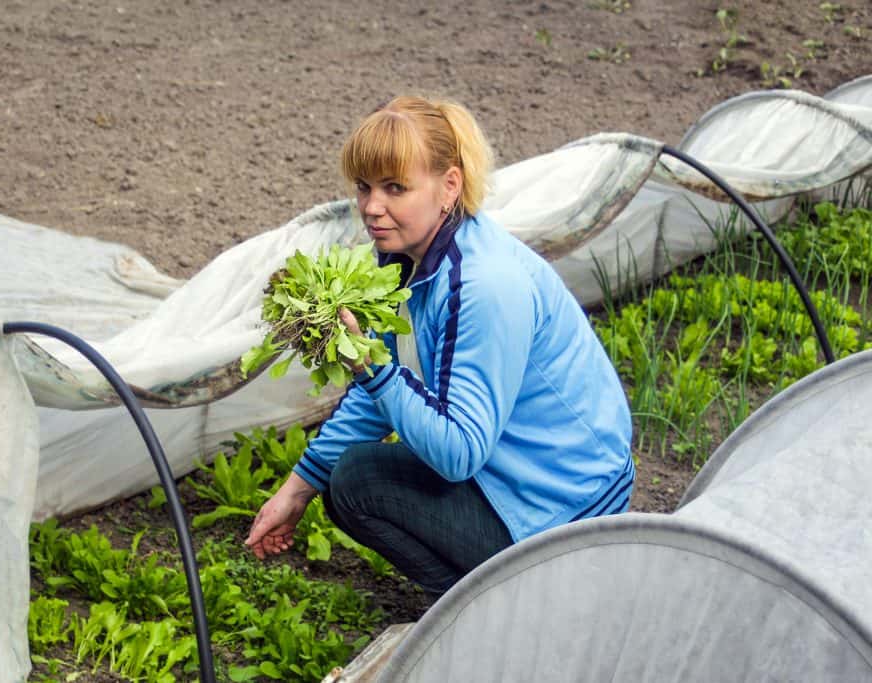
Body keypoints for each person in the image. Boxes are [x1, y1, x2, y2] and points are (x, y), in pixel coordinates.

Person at [245, 95, 633, 599]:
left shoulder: (485, 285)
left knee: (360, 482)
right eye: (363, 187)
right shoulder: (402, 258)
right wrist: (296, 491)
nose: (371, 207)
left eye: (395, 188)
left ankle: (507, 610)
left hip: (570, 509)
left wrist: (371, 368)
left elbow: (458, 453)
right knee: (345, 481)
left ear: (449, 185)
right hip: (518, 475)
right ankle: (490, 602)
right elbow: (375, 389)